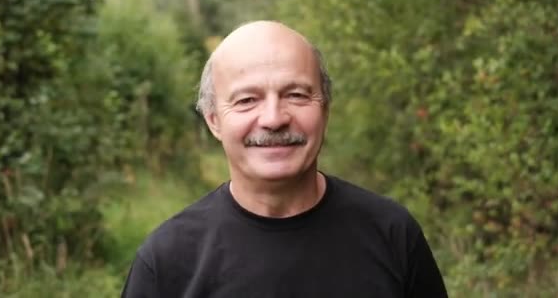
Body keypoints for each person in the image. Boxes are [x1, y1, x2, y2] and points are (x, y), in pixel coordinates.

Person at [121, 21, 448, 297]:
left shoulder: (393, 235)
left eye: (296, 94)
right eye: (248, 100)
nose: (274, 118)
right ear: (213, 121)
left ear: (325, 109)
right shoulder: (165, 263)